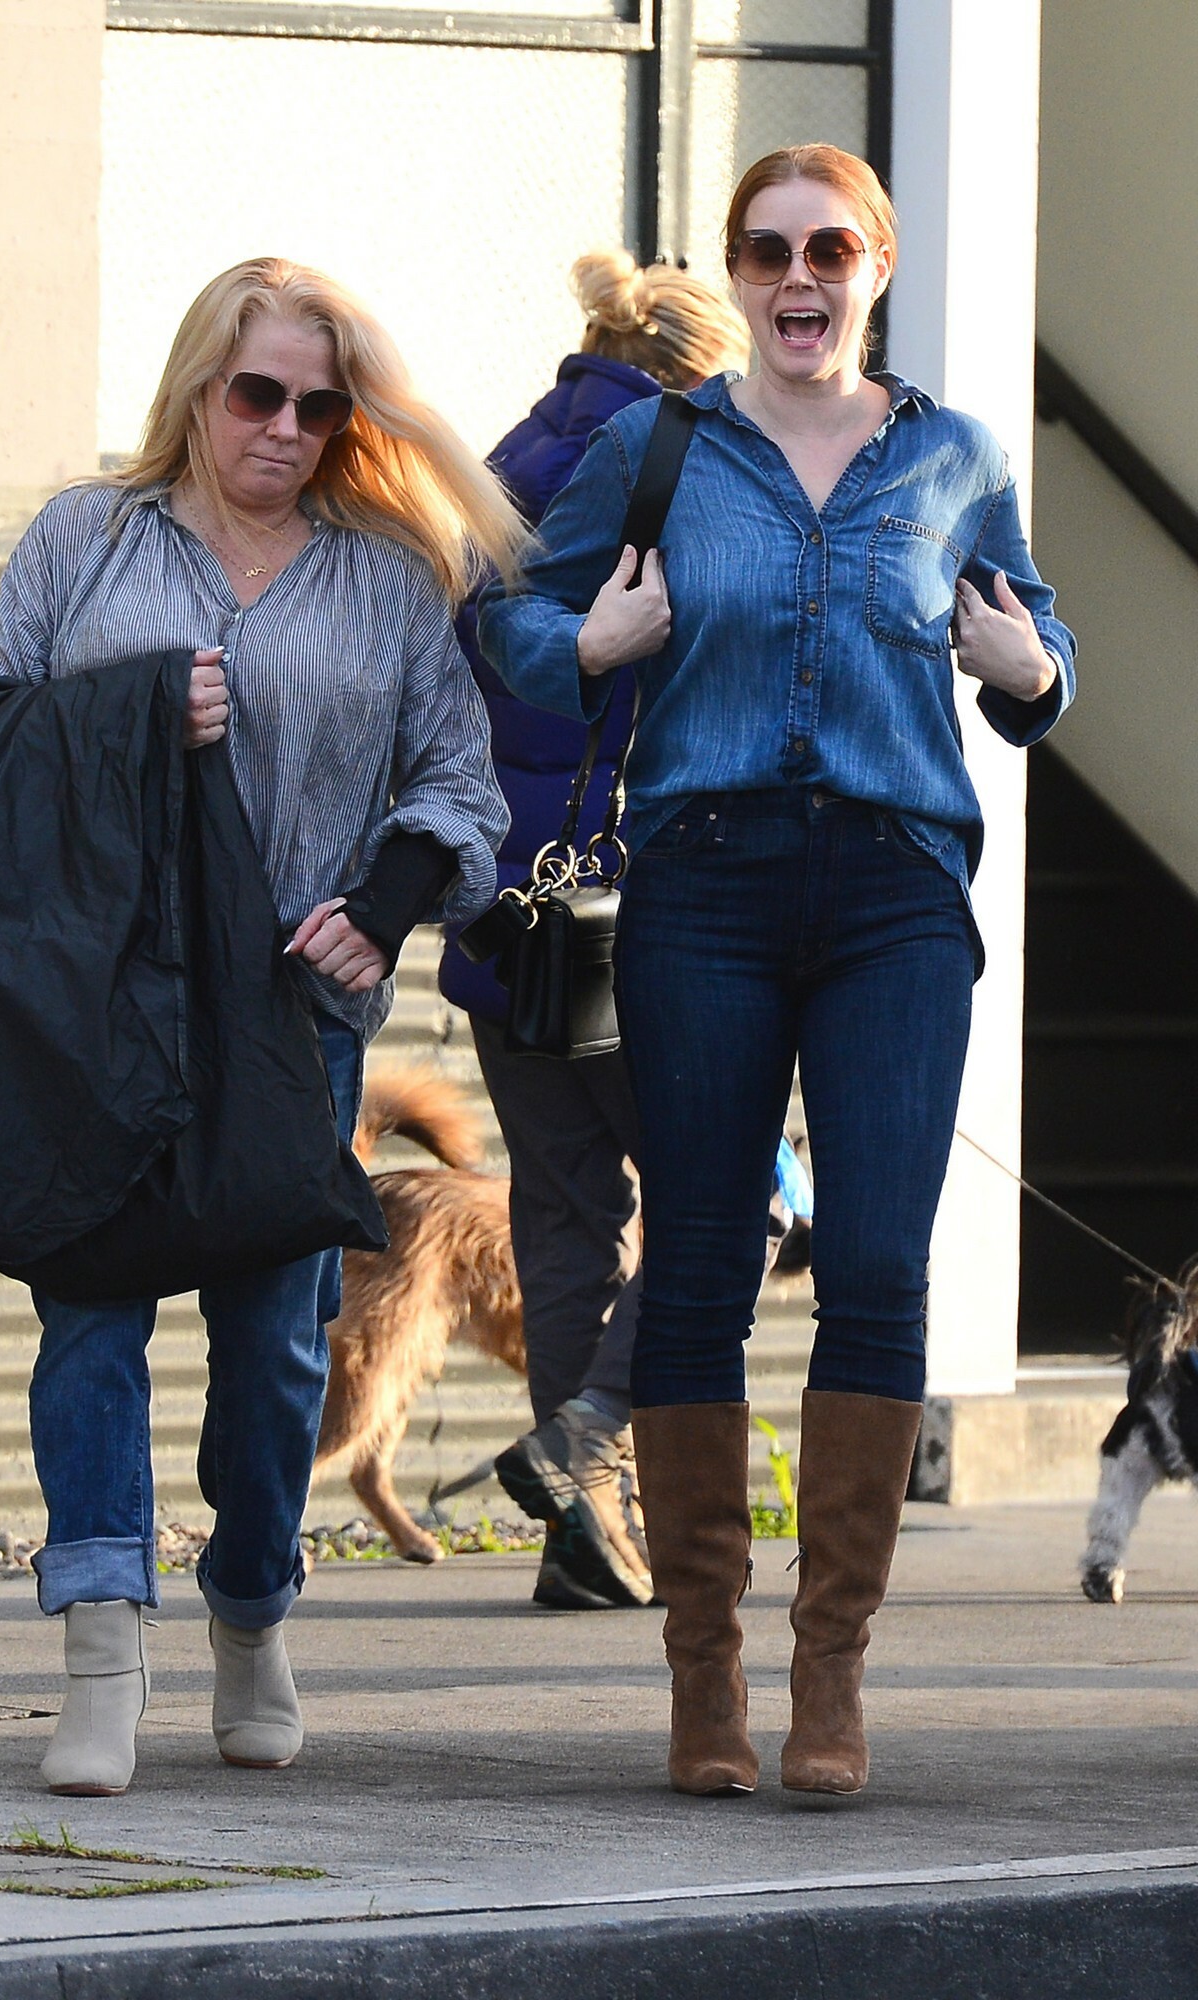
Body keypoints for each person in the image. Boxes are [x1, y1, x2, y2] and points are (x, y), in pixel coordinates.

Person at [479, 146, 1075, 1796]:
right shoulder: (656, 446)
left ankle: (831, 1680)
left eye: (827, 250)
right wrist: (586, 645)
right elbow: (511, 616)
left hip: (894, 894)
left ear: (875, 263)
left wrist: (1032, 673)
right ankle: (703, 1677)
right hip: (705, 891)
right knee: (700, 1271)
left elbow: (1038, 640)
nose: (796, 279)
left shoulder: (954, 455)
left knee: (876, 1262)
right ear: (736, 274)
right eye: (766, 252)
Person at [0, 257, 522, 1796]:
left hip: (294, 1020)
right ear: (199, 388)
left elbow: (459, 783)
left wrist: (386, 904)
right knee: (89, 1323)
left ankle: (254, 1608)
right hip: (98, 1006)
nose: (285, 429)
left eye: (320, 408)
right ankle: (100, 1651)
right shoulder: (88, 541)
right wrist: (131, 713)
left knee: (275, 1349)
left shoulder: (389, 573)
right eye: (258, 395)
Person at [441, 250, 751, 1612]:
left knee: (570, 1213)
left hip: (500, 909)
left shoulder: (502, 464)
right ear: (700, 370)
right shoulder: (674, 473)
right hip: (627, 904)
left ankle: (590, 1531)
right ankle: (595, 1433)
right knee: (732, 1195)